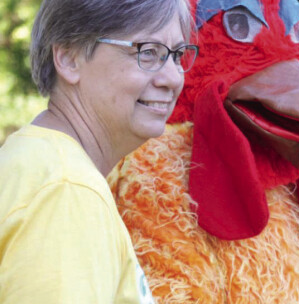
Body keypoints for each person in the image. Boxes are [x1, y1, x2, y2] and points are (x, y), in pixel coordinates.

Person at [0, 0, 196, 302]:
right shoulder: (67, 190)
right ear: (68, 58)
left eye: (177, 55)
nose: (172, 78)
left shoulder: (38, 162)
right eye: (147, 52)